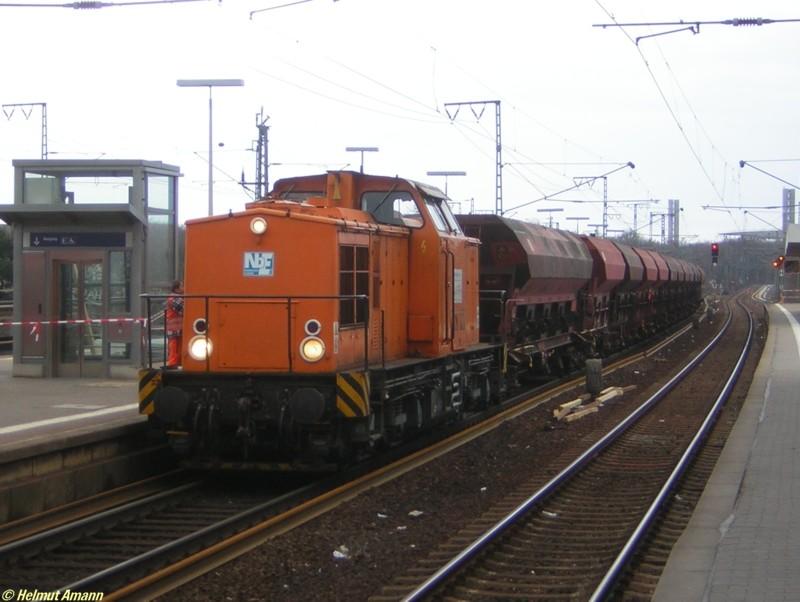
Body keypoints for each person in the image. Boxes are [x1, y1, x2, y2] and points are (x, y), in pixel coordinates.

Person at [166, 280, 184, 368]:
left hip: (176, 325)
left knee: (175, 344)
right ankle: (173, 363)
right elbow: (182, 309)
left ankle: (176, 362)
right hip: (175, 325)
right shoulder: (175, 298)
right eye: (182, 286)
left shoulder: (173, 298)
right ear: (176, 289)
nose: (184, 288)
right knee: (174, 344)